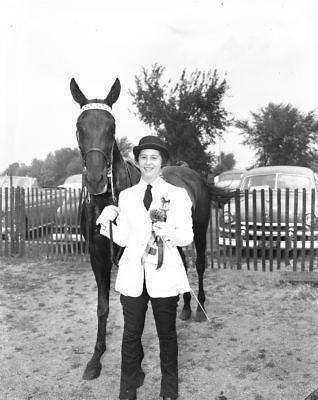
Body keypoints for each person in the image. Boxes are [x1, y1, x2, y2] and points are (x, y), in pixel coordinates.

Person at [96, 135, 193, 400]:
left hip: (165, 277)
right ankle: (127, 391)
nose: (148, 162)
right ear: (137, 162)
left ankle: (169, 391)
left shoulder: (177, 195)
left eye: (154, 157)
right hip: (133, 277)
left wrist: (169, 231)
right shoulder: (127, 197)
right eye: (144, 158)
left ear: (162, 162)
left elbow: (187, 236)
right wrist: (107, 223)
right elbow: (125, 239)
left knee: (167, 336)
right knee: (130, 337)